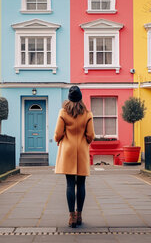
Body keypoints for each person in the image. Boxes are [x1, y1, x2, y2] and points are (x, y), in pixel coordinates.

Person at [54, 86, 95, 228]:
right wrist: (85, 141)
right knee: (81, 184)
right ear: (81, 98)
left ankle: (71, 217)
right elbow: (90, 135)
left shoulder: (63, 112)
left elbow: (58, 133)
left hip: (68, 150)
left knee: (70, 184)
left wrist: (58, 139)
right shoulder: (87, 113)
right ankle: (79, 215)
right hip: (82, 150)